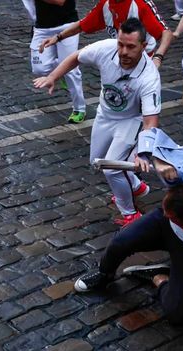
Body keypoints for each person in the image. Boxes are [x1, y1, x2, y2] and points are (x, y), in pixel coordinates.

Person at [74, 128, 183, 344]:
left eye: (171, 215)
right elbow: (151, 132)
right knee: (121, 241)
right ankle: (104, 274)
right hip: (164, 225)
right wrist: (155, 159)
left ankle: (159, 277)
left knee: (176, 314)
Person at [34, 18, 160, 226]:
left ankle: (130, 213)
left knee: (112, 168)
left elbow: (150, 120)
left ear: (143, 47)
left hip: (130, 121)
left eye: (131, 47)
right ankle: (136, 187)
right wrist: (53, 76)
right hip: (105, 115)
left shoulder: (149, 77)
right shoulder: (106, 49)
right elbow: (75, 57)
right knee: (98, 162)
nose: (123, 52)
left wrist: (144, 153)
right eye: (121, 44)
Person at [39, 0, 174, 68]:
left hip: (143, 61)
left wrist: (158, 58)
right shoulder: (106, 4)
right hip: (120, 58)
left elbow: (166, 33)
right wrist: (58, 37)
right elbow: (82, 24)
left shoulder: (140, 4)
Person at [30, 0, 86, 124]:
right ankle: (61, 71)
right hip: (42, 27)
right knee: (38, 69)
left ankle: (79, 108)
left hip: (67, 25)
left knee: (70, 70)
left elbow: (60, 1)